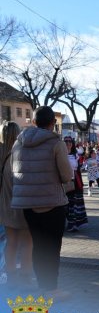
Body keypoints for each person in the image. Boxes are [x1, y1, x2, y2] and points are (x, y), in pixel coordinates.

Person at [10, 106, 72, 299]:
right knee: (52, 246)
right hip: (51, 201)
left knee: (38, 245)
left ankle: (42, 285)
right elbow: (66, 175)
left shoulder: (18, 143)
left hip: (27, 203)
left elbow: (15, 172)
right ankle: (51, 289)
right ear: (53, 123)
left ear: (34, 122)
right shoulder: (55, 143)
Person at [0, 121, 33, 289]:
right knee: (27, 242)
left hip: (4, 204)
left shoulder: (2, 153)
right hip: (20, 203)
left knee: (11, 242)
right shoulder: (19, 152)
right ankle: (25, 277)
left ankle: (11, 276)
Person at [64, 136, 89, 231]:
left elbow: (79, 168)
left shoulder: (76, 155)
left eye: (70, 141)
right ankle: (69, 222)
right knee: (66, 204)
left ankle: (73, 224)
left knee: (74, 204)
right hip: (64, 181)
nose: (68, 143)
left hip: (75, 182)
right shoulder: (60, 154)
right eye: (66, 141)